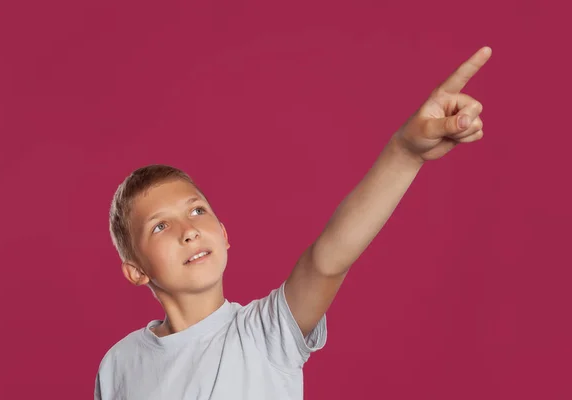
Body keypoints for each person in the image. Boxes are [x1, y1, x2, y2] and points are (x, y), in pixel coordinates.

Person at [94, 46, 492, 400]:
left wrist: (405, 152)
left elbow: (327, 259)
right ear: (136, 271)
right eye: (160, 226)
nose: (189, 230)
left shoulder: (264, 335)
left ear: (225, 234)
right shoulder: (119, 365)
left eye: (197, 210)